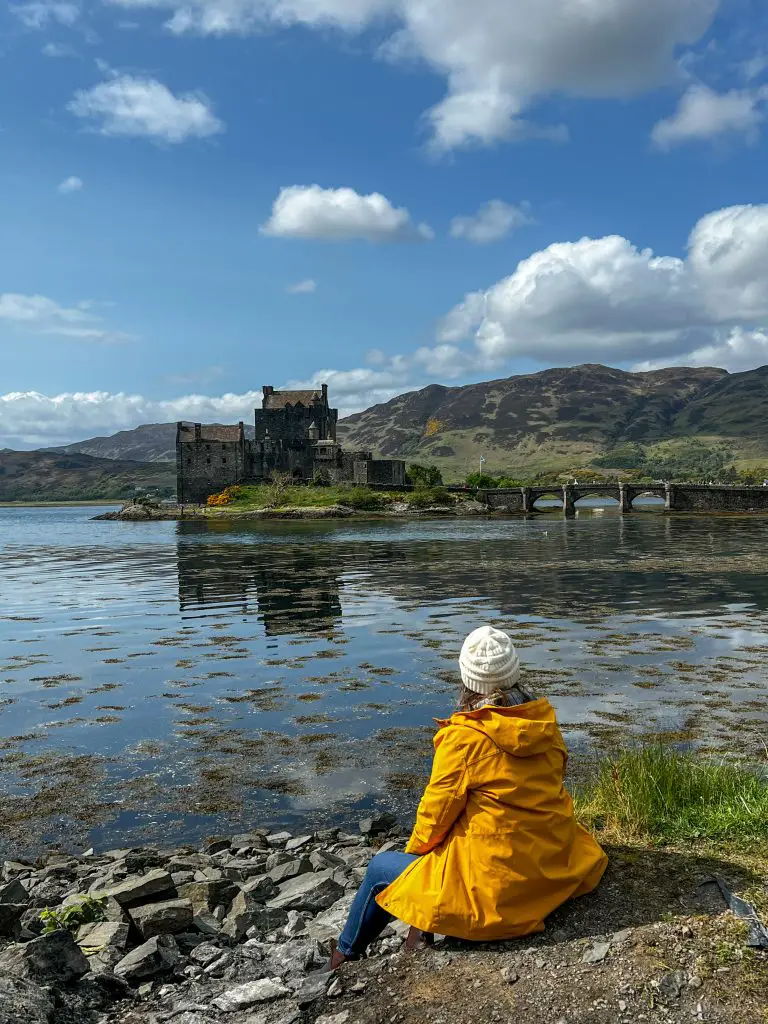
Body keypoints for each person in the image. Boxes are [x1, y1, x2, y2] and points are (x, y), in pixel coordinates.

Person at [328, 625, 607, 967]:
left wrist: (418, 865)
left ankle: (342, 957)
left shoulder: (464, 738)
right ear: (515, 673)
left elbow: (434, 816)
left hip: (497, 892)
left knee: (380, 868)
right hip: (552, 867)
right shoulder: (542, 723)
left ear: (466, 679)